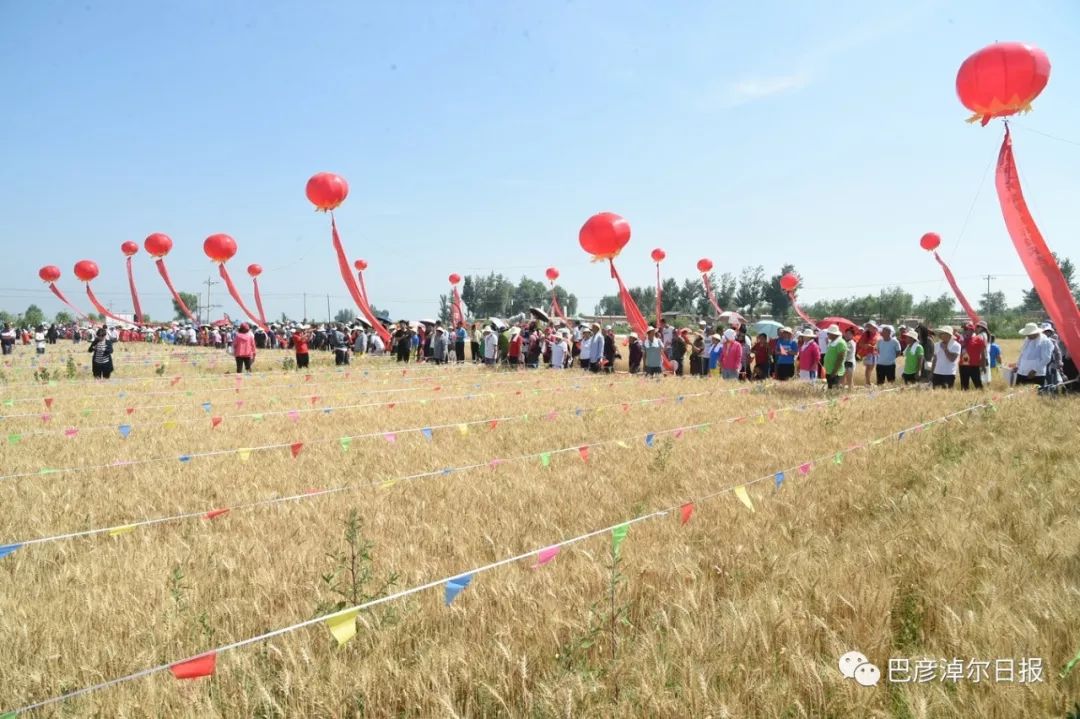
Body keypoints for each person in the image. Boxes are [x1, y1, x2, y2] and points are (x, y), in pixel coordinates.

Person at [1016, 322, 1054, 387]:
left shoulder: (1045, 341)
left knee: (1033, 394)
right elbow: (1022, 354)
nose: (1027, 336)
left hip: (1035, 375)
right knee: (1019, 393)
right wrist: (1017, 365)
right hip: (1022, 372)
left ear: (1035, 332)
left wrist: (1034, 370)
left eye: (1029, 334)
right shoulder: (1027, 340)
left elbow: (1046, 358)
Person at [958, 323, 987, 390]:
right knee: (964, 387)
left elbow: (983, 354)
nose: (964, 331)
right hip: (963, 366)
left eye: (966, 329)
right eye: (964, 329)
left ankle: (983, 399)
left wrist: (983, 366)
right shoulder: (960, 340)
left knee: (978, 385)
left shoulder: (979, 340)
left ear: (972, 330)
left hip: (974, 366)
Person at [823, 324, 847, 389]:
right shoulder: (832, 342)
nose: (827, 335)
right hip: (830, 371)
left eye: (829, 333)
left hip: (835, 372)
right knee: (830, 389)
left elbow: (840, 358)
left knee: (834, 390)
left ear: (834, 334)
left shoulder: (840, 343)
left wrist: (835, 371)